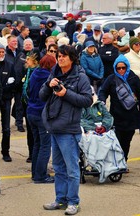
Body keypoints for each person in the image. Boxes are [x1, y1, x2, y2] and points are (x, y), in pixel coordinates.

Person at [40, 45, 92, 215]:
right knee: (58, 168)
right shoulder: (54, 72)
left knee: (72, 169)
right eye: (59, 55)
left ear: (72, 58)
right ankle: (60, 200)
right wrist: (49, 84)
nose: (60, 58)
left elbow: (87, 100)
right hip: (54, 127)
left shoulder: (80, 77)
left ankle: (73, 202)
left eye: (63, 56)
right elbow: (41, 95)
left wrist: (66, 93)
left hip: (69, 130)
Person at [98, 54, 140, 162]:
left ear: (127, 67)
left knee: (127, 141)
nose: (121, 70)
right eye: (118, 68)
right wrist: (102, 100)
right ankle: (117, 162)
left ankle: (124, 160)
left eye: (123, 68)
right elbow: (103, 91)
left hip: (131, 116)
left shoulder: (133, 78)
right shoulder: (111, 78)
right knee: (117, 141)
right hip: (116, 115)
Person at [27, 55, 56, 184]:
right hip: (41, 113)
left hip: (30, 111)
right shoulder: (49, 78)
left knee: (37, 144)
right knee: (45, 145)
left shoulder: (34, 74)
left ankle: (35, 173)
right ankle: (41, 176)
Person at [125, 37, 140, 135]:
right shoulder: (127, 56)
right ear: (131, 45)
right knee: (131, 106)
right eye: (136, 44)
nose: (138, 46)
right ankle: (131, 125)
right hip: (131, 84)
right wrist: (138, 73)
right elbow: (126, 70)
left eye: (139, 44)